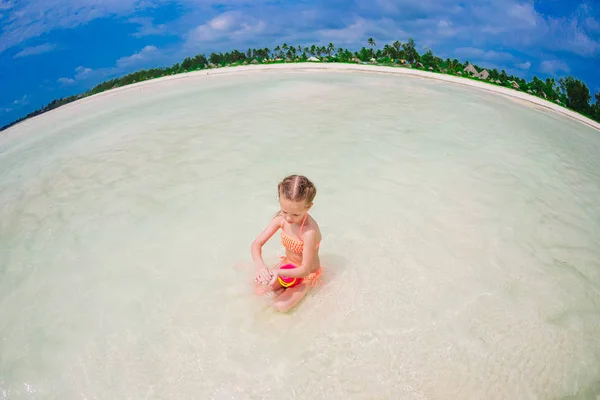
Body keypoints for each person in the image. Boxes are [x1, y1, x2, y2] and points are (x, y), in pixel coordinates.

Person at [251, 174, 323, 312]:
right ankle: (280, 291)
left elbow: (305, 269)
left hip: (304, 274)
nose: (289, 218)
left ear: (308, 207)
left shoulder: (309, 232)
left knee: (280, 306)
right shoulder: (280, 220)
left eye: (296, 214)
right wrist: (261, 267)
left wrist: (277, 272)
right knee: (259, 291)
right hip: (286, 268)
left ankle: (291, 293)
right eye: (285, 211)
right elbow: (256, 244)